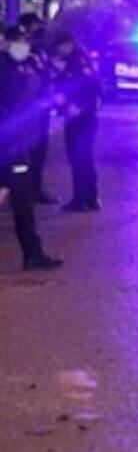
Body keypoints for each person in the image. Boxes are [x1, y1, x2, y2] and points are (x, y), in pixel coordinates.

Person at [0, 27, 63, 271]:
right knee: (22, 201)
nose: (21, 46)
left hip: (17, 143)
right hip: (10, 145)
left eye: (24, 41)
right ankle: (33, 255)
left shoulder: (27, 66)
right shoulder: (7, 70)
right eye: (17, 41)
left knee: (23, 201)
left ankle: (33, 254)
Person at [52, 33, 102, 212]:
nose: (59, 50)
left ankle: (81, 199)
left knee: (79, 158)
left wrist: (79, 106)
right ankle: (90, 198)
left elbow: (92, 89)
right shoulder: (78, 61)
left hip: (80, 116)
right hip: (80, 115)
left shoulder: (77, 63)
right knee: (84, 159)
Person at [17, 13, 57, 204]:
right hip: (29, 110)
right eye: (35, 25)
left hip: (42, 108)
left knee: (39, 151)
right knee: (26, 152)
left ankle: (34, 189)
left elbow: (46, 73)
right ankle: (23, 190)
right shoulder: (22, 50)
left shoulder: (40, 50)